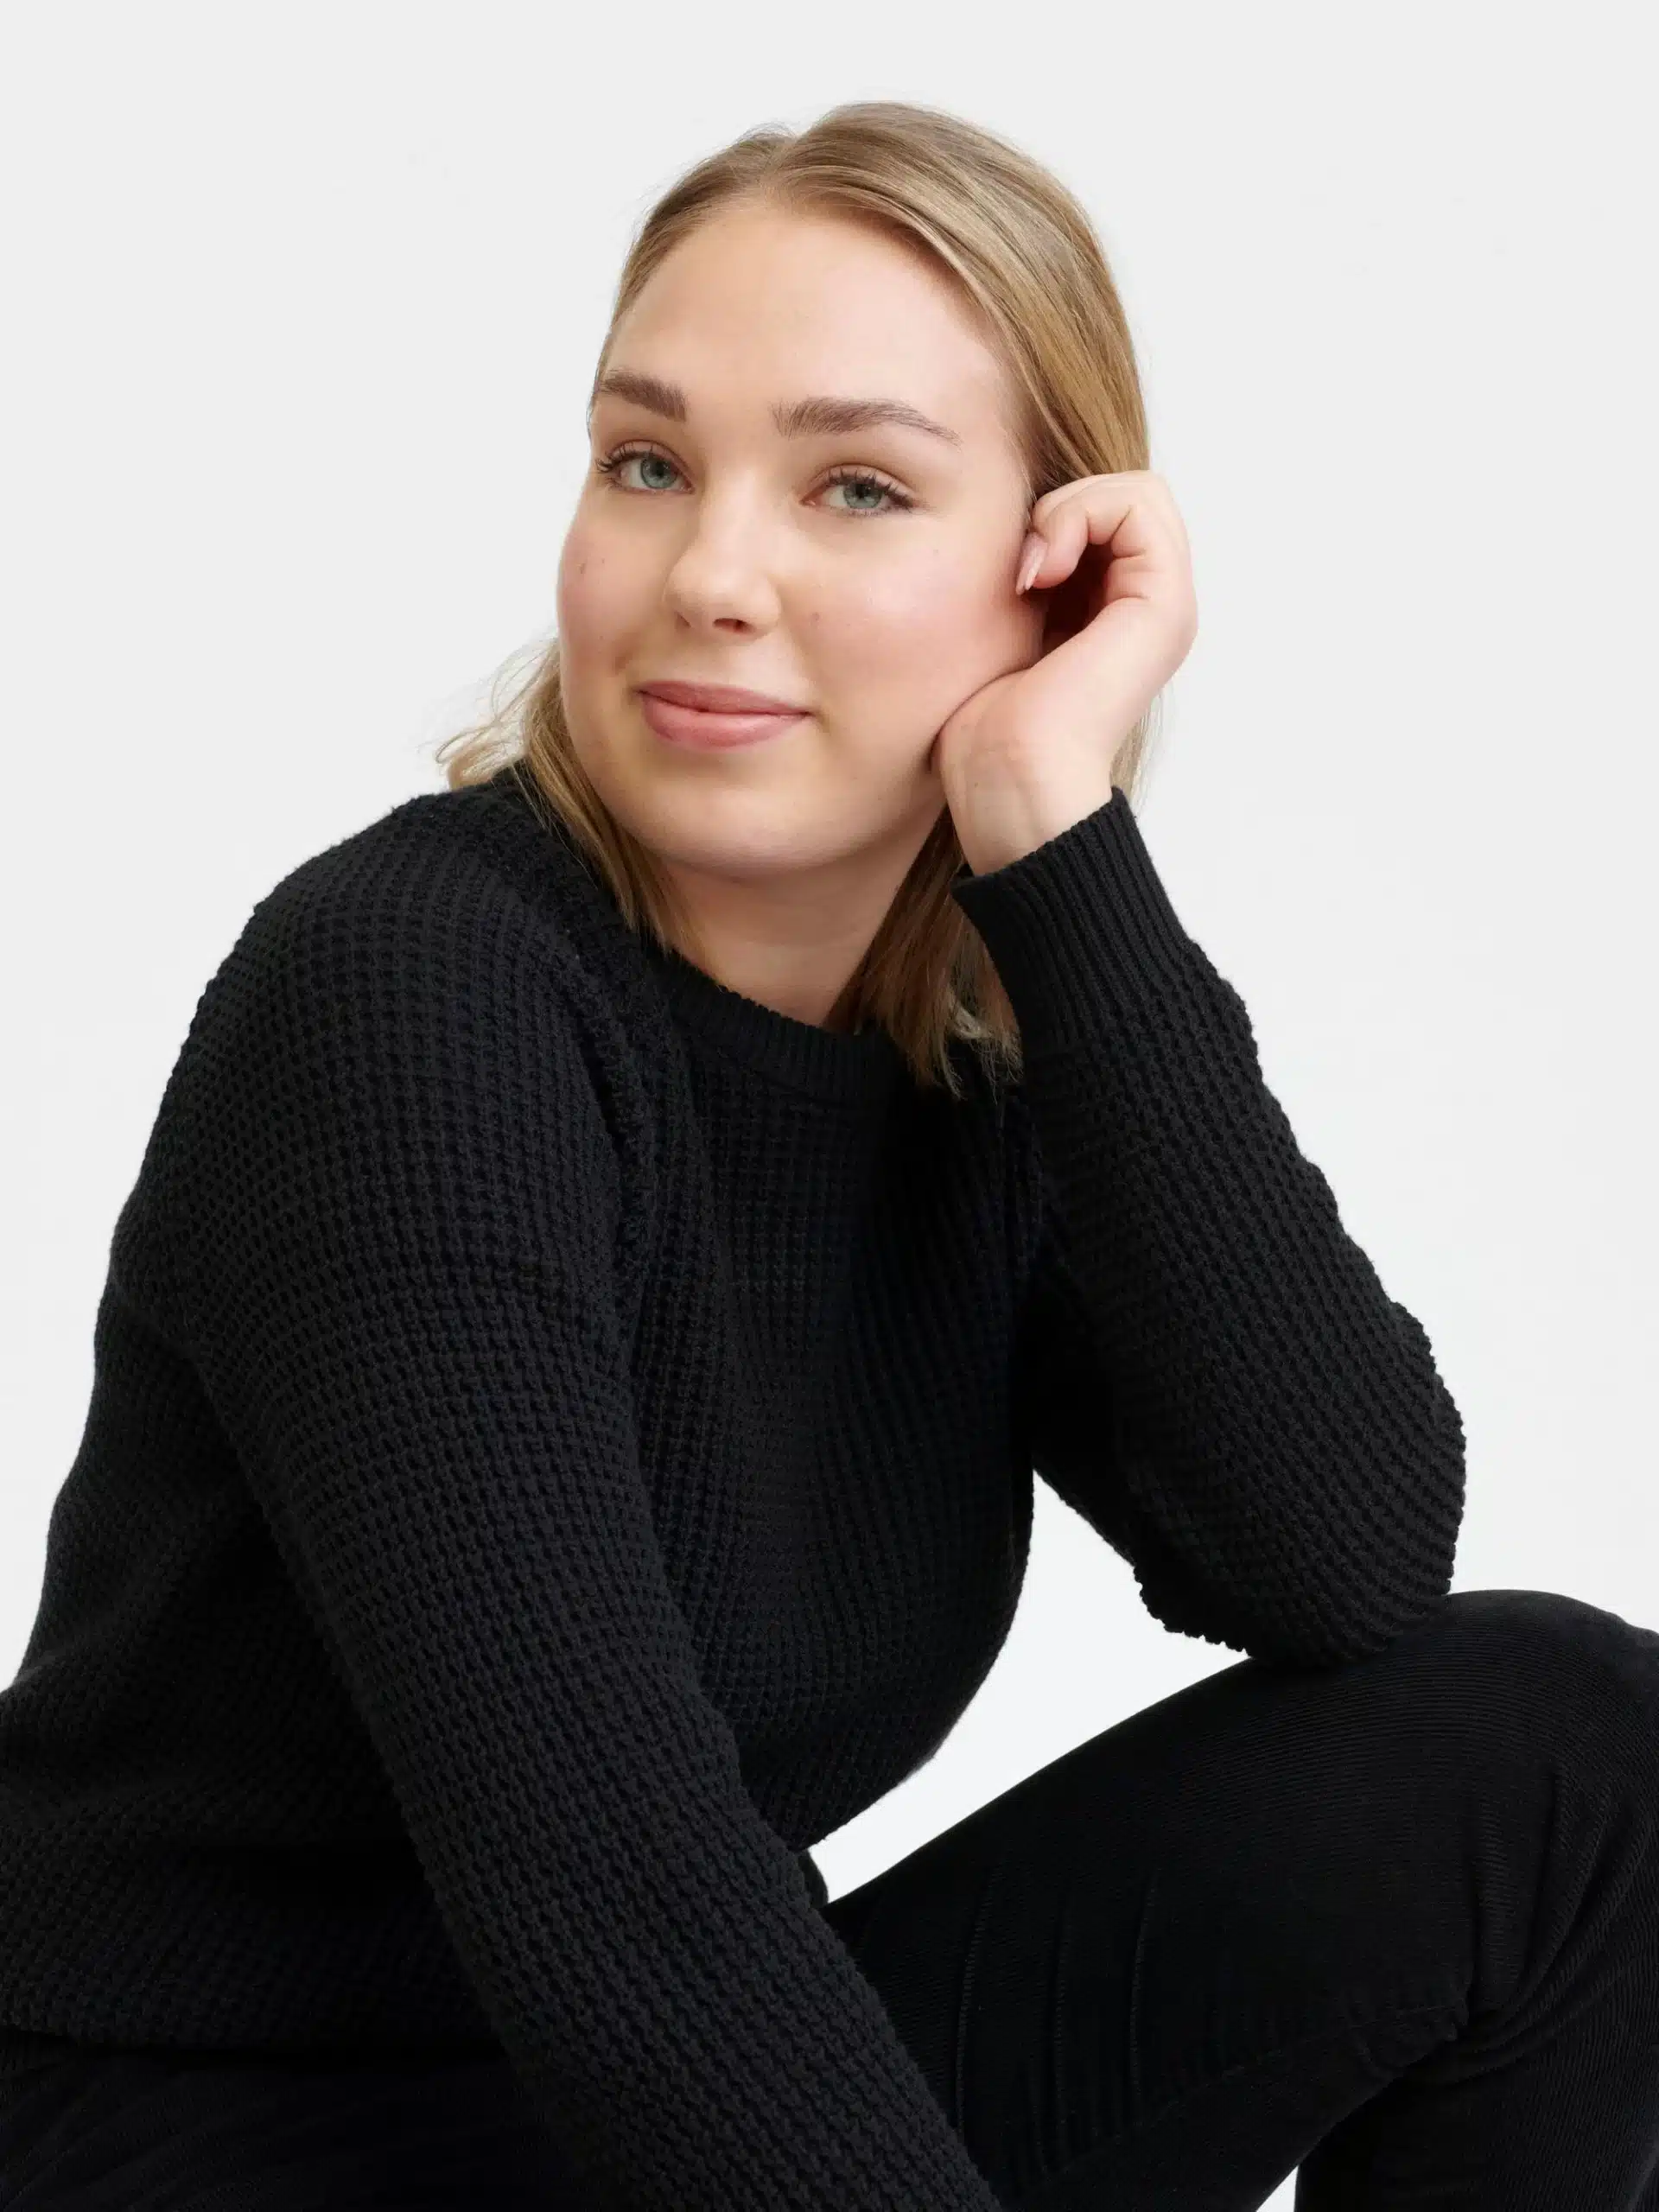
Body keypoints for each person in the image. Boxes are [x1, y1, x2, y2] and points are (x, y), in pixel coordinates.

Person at [2, 97, 1656, 2212]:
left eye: (856, 486)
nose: (710, 574)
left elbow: (1336, 1558)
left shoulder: (975, 1058)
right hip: (203, 2134)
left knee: (1566, 1758)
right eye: (646, 463)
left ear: (1051, 574)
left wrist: (1057, 841)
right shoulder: (410, 998)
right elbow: (613, 1887)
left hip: (632, 2107)